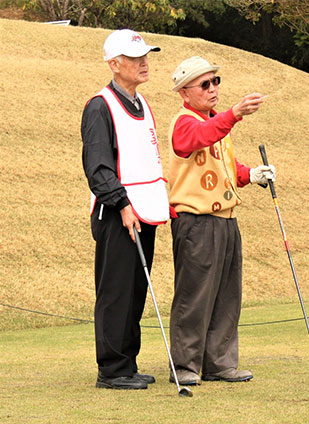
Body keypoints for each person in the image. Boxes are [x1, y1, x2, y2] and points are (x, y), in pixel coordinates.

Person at [168, 56, 276, 386]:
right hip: (196, 222)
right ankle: (185, 365)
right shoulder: (185, 121)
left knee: (227, 296)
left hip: (226, 220)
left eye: (216, 82)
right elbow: (197, 139)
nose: (213, 88)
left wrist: (251, 175)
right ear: (185, 93)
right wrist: (235, 114)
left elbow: (226, 167)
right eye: (205, 84)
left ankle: (219, 363)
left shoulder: (216, 123)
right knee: (194, 296)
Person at [81, 29, 169, 390]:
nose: (143, 62)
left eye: (145, 55)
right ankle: (112, 370)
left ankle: (127, 363)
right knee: (116, 290)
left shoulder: (142, 102)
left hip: (144, 212)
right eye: (135, 58)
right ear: (114, 65)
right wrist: (121, 204)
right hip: (117, 213)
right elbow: (98, 167)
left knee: (136, 289)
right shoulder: (100, 106)